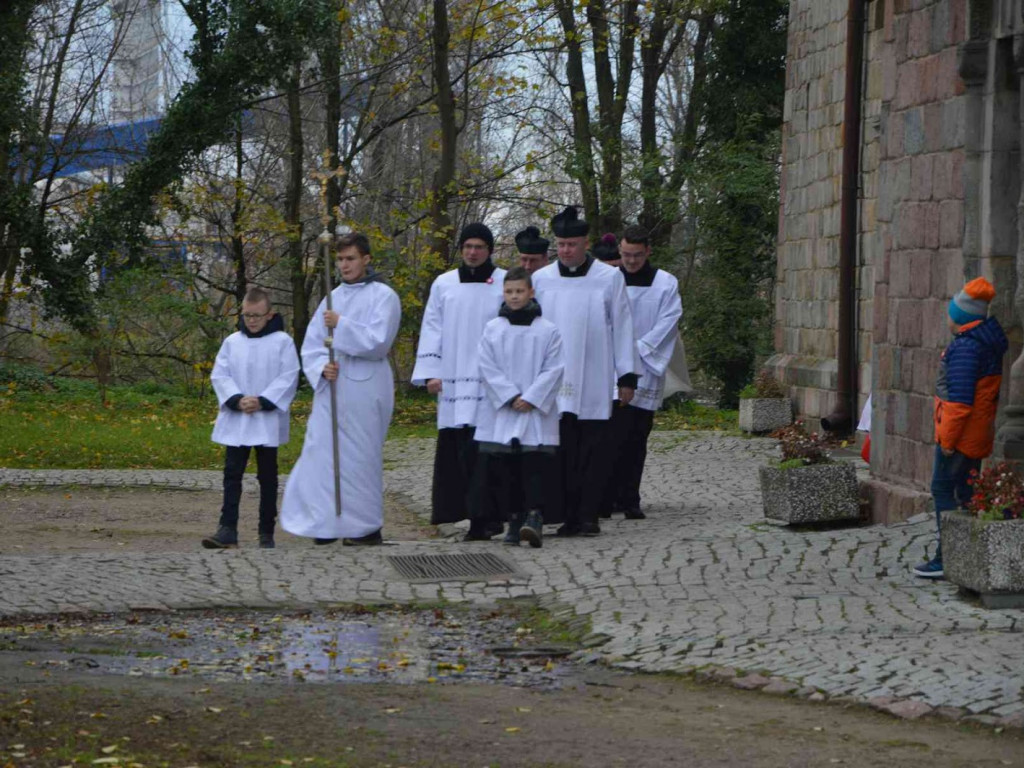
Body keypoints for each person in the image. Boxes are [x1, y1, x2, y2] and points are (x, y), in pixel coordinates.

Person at [279, 232, 401, 546]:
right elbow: (312, 346)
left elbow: (378, 342)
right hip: (333, 386)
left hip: (366, 385)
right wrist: (322, 366)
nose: (345, 265)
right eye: (341, 260)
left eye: (351, 259)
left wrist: (341, 324)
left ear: (366, 259)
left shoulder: (384, 296)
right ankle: (326, 521)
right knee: (322, 451)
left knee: (360, 456)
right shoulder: (331, 297)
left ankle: (364, 526)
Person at [532, 206, 639, 537]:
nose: (566, 250)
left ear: (585, 243)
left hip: (593, 375)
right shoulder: (541, 279)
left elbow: (622, 327)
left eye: (572, 244)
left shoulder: (609, 278)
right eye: (561, 244)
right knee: (559, 450)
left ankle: (588, 515)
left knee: (592, 450)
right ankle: (562, 513)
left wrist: (626, 377)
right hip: (554, 378)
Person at [411, 222, 506, 536]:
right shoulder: (444, 283)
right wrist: (430, 373)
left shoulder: (505, 281)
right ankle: (463, 512)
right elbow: (433, 327)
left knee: (488, 452)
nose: (473, 252)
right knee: (460, 450)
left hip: (491, 381)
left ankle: (488, 517)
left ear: (489, 250)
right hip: (452, 378)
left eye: (479, 247)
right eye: (468, 247)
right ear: (461, 250)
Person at [914, 277, 1007, 579]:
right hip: (975, 434)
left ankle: (947, 556)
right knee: (967, 492)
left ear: (963, 317)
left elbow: (960, 402)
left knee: (943, 489)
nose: (948, 317)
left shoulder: (967, 348)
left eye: (952, 312)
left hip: (961, 436)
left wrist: (947, 441)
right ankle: (966, 554)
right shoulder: (980, 341)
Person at [472, 266, 564, 548]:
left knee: (533, 464)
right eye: (509, 292)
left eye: (519, 291)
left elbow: (555, 368)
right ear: (503, 293)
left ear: (531, 292)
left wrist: (533, 397)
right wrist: (510, 395)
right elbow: (485, 365)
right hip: (504, 409)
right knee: (506, 467)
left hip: (534, 410)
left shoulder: (548, 330)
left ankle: (534, 516)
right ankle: (513, 518)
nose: (514, 297)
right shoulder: (493, 328)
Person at [204, 287, 300, 550]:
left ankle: (266, 531)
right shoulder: (232, 342)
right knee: (232, 474)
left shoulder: (282, 341)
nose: (252, 320)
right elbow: (220, 374)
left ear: (269, 314)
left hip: (266, 419)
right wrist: (236, 399)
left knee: (267, 477)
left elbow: (289, 375)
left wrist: (263, 400)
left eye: (257, 315)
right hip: (238, 419)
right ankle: (227, 529)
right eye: (247, 315)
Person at [604, 224, 683, 520]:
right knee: (611, 436)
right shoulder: (610, 279)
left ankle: (630, 497)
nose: (631, 261)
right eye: (626, 254)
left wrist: (636, 349)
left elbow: (670, 320)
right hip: (612, 367)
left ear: (648, 251)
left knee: (636, 437)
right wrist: (617, 351)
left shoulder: (665, 283)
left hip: (646, 367)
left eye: (637, 255)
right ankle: (608, 496)